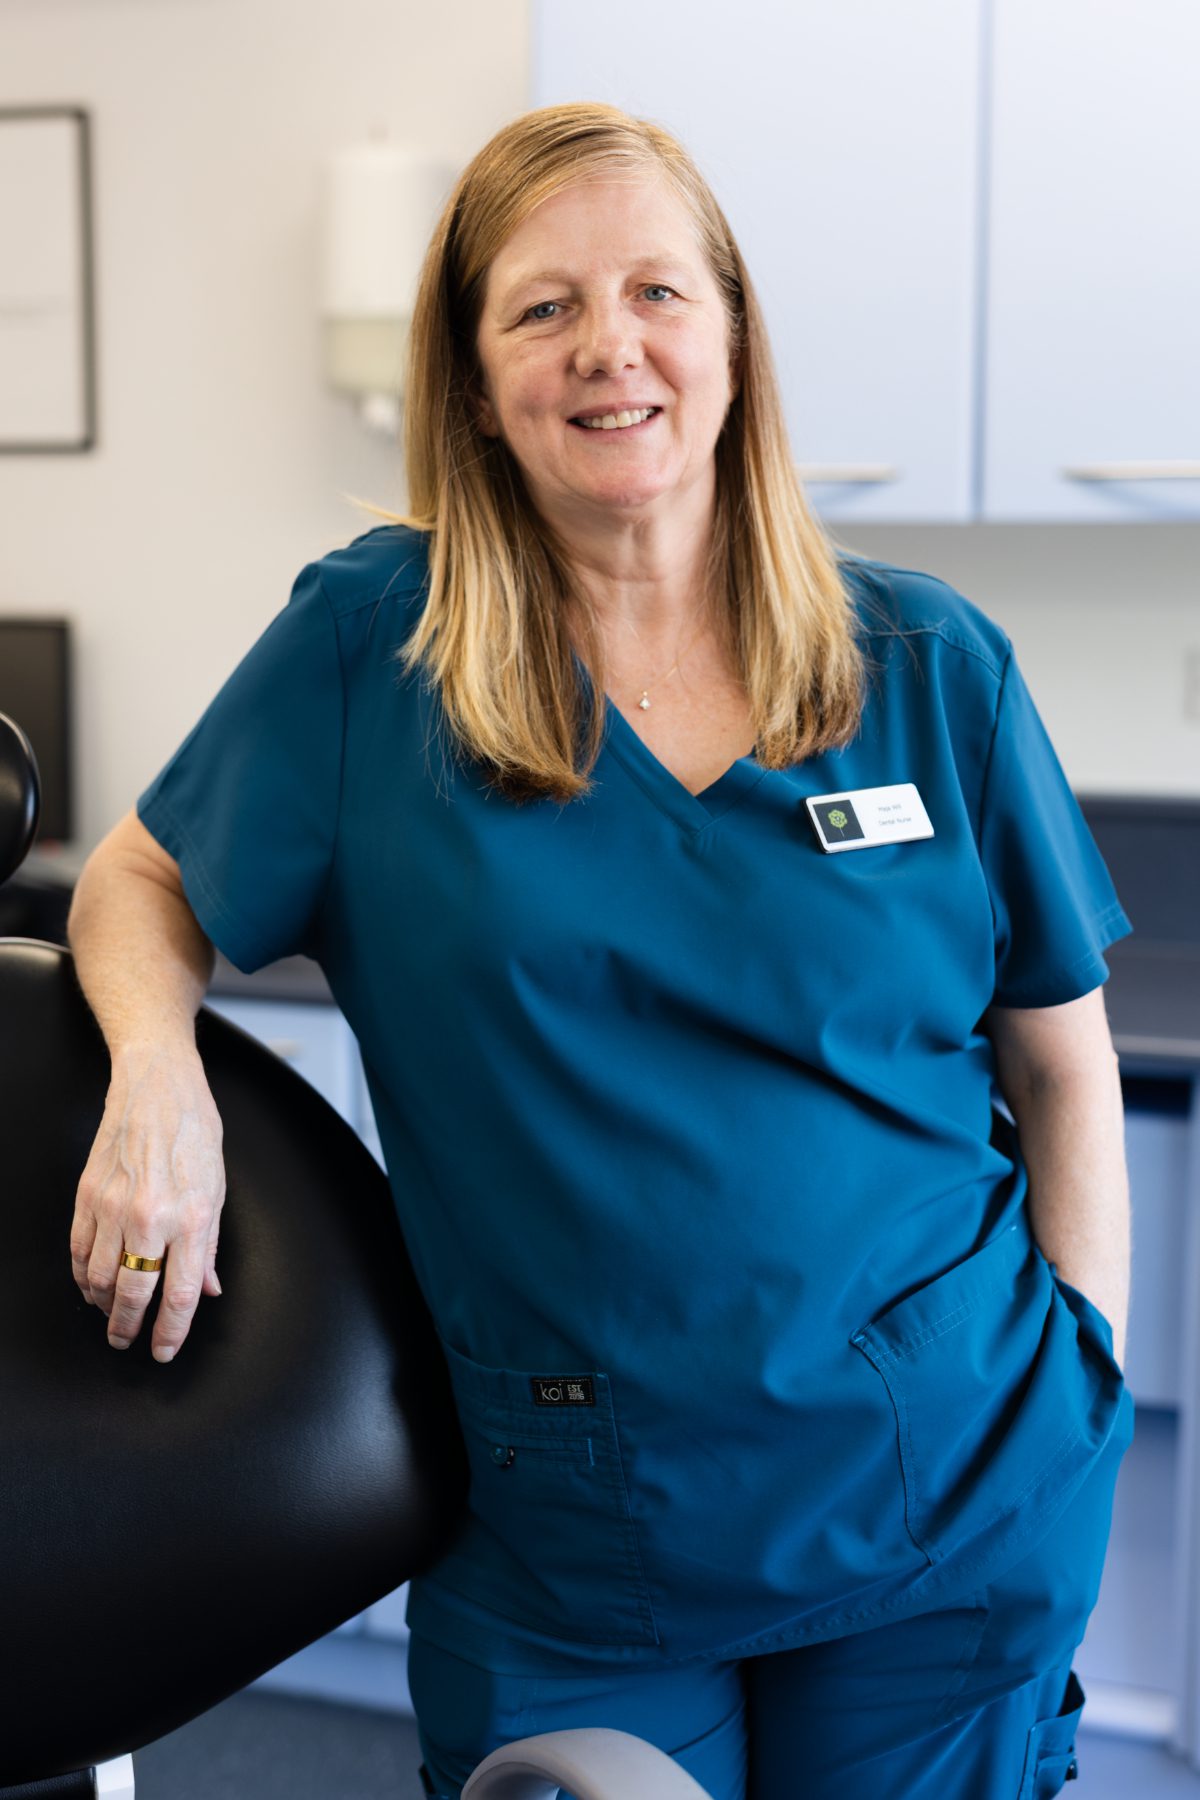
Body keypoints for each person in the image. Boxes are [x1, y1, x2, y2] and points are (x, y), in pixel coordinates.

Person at [66, 101, 1134, 1800]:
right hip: (576, 1533)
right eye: (542, 307)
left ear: (730, 338)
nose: (607, 348)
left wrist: (1079, 1385)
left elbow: (1063, 1064)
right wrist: (155, 1078)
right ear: (477, 378)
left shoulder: (928, 665)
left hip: (952, 1507)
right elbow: (138, 885)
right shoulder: (372, 652)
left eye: (655, 292)